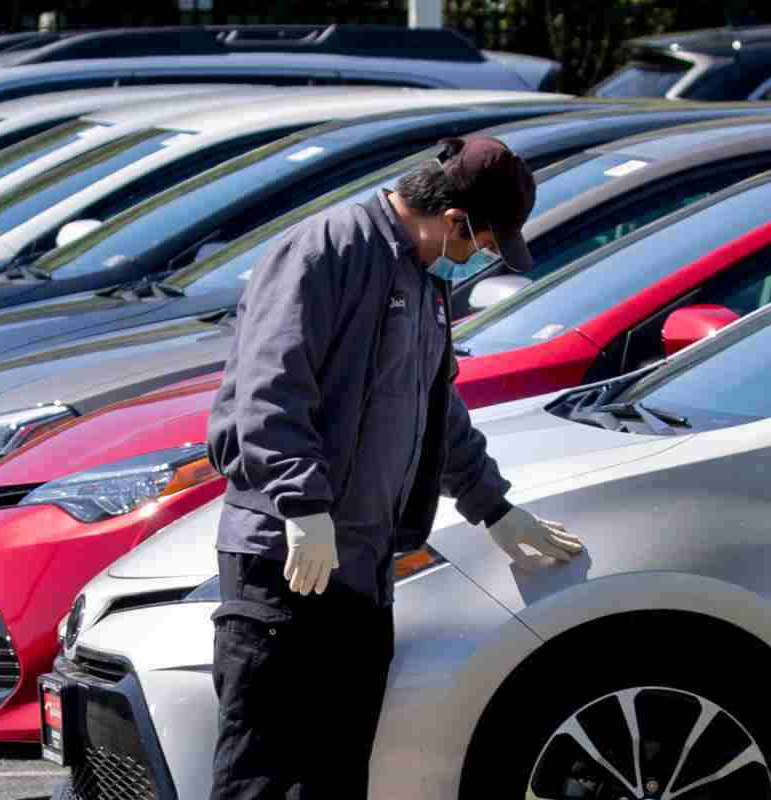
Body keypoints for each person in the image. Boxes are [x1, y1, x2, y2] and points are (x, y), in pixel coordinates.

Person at [205, 136, 584, 800]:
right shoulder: (330, 250)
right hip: (284, 564)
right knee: (260, 777)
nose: (479, 258)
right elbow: (271, 388)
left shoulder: (420, 274)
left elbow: (434, 407)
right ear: (455, 218)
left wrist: (492, 505)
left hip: (361, 568)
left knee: (335, 778)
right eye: (484, 243)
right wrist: (302, 506)